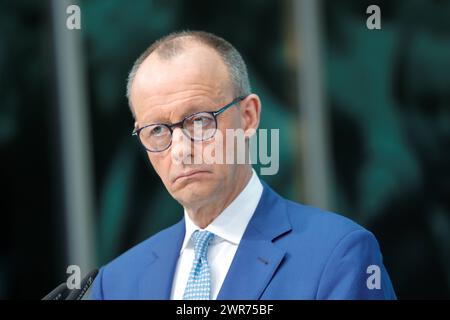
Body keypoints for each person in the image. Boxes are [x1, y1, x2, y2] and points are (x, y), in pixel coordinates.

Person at [90, 30, 396, 300]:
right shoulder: (116, 283)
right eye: (157, 130)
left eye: (199, 121)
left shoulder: (338, 255)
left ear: (248, 117)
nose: (181, 150)